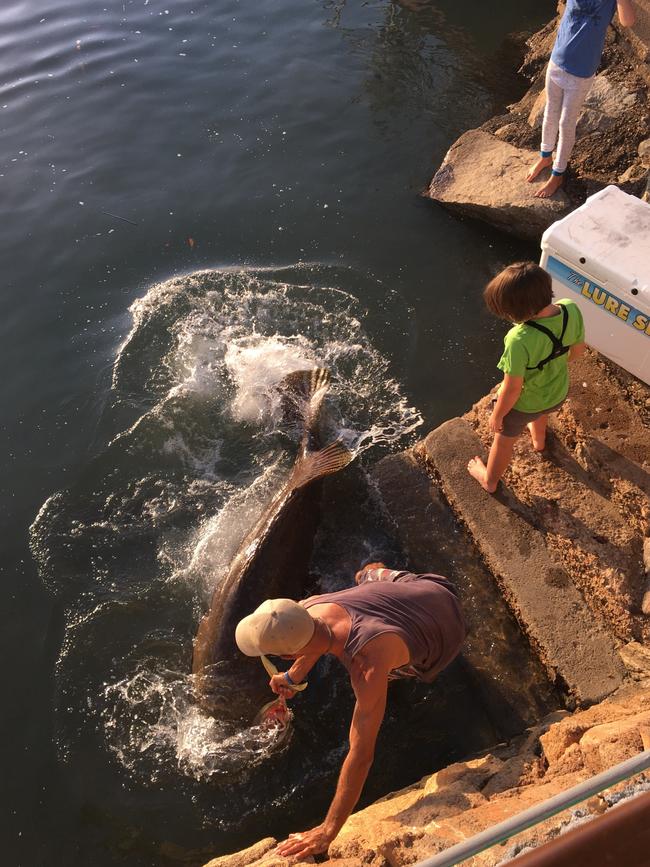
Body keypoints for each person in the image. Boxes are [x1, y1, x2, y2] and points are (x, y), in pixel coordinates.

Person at [234, 563, 466, 860]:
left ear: (287, 653)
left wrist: (327, 830)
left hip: (448, 633)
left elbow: (361, 754)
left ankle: (394, 668)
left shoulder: (366, 664)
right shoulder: (309, 607)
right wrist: (293, 677)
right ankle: (377, 571)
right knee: (365, 575)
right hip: (429, 586)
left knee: (390, 673)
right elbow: (316, 638)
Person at [468, 262, 585, 493]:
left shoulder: (518, 339)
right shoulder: (570, 308)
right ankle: (538, 442)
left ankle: (489, 481)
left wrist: (498, 415)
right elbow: (578, 351)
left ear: (517, 311)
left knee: (503, 441)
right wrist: (554, 366)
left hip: (524, 405)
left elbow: (512, 390)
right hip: (557, 392)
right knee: (540, 411)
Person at [527, 0, 636, 199]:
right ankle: (545, 156)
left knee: (566, 123)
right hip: (557, 61)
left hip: (581, 72)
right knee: (550, 112)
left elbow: (628, 21)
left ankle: (558, 174)